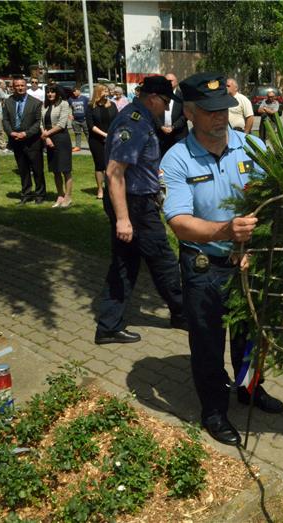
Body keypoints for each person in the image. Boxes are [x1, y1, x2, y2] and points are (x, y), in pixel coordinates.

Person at [161, 72, 283, 446]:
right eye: (211, 111)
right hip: (204, 267)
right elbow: (180, 224)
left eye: (225, 110)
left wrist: (252, 247)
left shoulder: (251, 147)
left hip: (247, 262)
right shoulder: (177, 158)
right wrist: (225, 233)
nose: (221, 117)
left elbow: (272, 201)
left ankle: (249, 389)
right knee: (208, 342)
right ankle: (214, 411)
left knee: (250, 336)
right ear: (190, 112)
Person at [93, 75, 186, 345]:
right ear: (153, 98)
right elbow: (114, 172)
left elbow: (132, 163)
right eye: (166, 102)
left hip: (135, 200)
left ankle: (109, 325)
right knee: (163, 260)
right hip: (134, 205)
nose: (166, 108)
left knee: (125, 263)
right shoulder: (134, 122)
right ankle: (182, 313)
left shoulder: (139, 118)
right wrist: (123, 219)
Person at [3, 77, 46, 204]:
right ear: (13, 87)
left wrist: (25, 134)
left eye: (22, 85)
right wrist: (11, 132)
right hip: (16, 140)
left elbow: (38, 122)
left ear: (26, 86)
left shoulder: (36, 103)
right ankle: (26, 193)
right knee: (23, 169)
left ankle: (40, 194)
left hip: (32, 141)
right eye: (17, 86)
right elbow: (5, 120)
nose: (20, 88)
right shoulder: (8, 101)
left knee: (37, 169)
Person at [41, 84, 74, 208]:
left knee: (65, 170)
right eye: (48, 92)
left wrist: (46, 134)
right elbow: (41, 122)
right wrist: (47, 137)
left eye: (52, 92)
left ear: (57, 93)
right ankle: (60, 195)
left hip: (61, 139)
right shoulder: (44, 105)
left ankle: (68, 197)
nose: (50, 94)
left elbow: (61, 124)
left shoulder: (64, 104)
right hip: (49, 139)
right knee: (55, 170)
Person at [85, 84, 118, 200]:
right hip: (96, 140)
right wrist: (105, 135)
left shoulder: (112, 105)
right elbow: (91, 125)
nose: (107, 92)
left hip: (112, 140)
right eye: (104, 90)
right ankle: (100, 189)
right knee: (100, 165)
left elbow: (117, 122)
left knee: (112, 164)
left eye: (107, 90)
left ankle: (111, 188)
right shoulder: (90, 107)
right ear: (98, 92)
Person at [155, 73, 188, 157]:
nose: (169, 83)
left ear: (176, 82)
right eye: (166, 81)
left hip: (178, 134)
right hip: (161, 135)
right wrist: (161, 126)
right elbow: (153, 113)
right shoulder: (157, 96)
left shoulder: (183, 96)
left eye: (171, 81)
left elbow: (185, 115)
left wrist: (173, 127)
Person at [68, 85, 89, 152]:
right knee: (77, 133)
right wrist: (69, 115)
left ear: (79, 91)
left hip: (85, 120)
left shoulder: (85, 98)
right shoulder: (70, 99)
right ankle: (77, 146)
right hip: (75, 120)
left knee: (88, 133)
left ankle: (91, 146)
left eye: (75, 91)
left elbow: (90, 108)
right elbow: (66, 107)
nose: (74, 93)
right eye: (73, 91)